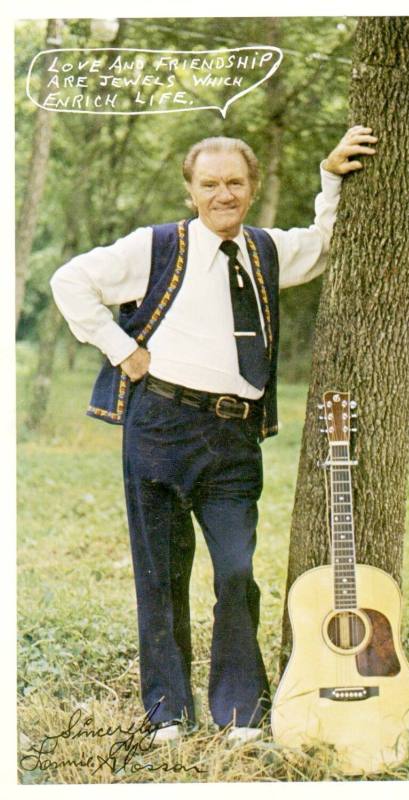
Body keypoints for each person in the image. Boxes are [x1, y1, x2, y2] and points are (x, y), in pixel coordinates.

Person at [50, 125, 377, 745]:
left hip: (233, 437)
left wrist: (331, 176)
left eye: (234, 183)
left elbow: (325, 242)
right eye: (209, 184)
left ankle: (239, 711)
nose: (222, 194)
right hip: (161, 427)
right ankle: (168, 712)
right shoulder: (154, 248)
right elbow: (70, 281)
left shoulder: (266, 251)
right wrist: (121, 348)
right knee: (162, 574)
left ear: (251, 188)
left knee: (235, 571)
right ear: (190, 190)